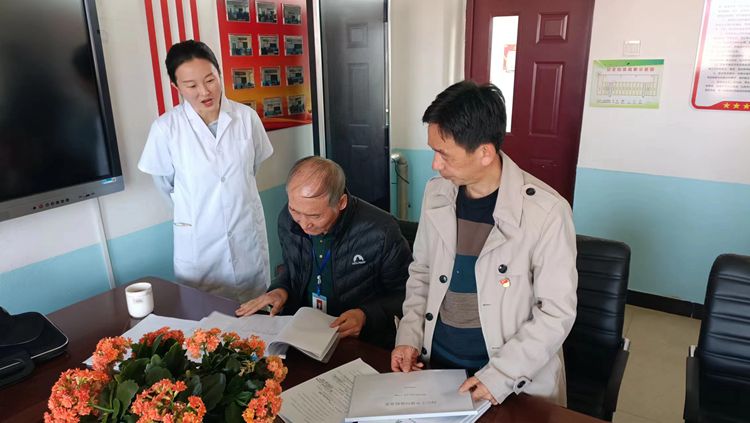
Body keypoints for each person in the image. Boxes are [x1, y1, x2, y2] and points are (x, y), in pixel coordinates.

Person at [390, 81, 577, 407]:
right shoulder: (436, 193)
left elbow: (555, 312)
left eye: (444, 154)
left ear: (485, 153)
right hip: (438, 365)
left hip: (510, 380)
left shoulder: (547, 212)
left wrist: (500, 376)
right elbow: (421, 272)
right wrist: (409, 336)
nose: (435, 164)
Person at [138, 40, 273, 302]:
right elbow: (166, 187)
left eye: (210, 80)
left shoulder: (247, 118)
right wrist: (197, 213)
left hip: (246, 240)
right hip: (200, 249)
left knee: (257, 315)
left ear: (219, 74)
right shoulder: (166, 129)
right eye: (191, 86)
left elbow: (252, 169)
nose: (204, 91)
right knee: (205, 319)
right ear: (176, 87)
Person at [235, 156, 411, 347]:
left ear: (341, 203)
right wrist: (280, 290)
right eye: (295, 211)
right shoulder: (288, 219)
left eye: (315, 216)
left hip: (356, 341)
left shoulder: (381, 231)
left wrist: (366, 316)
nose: (304, 224)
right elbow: (293, 270)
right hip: (303, 334)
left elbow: (407, 295)